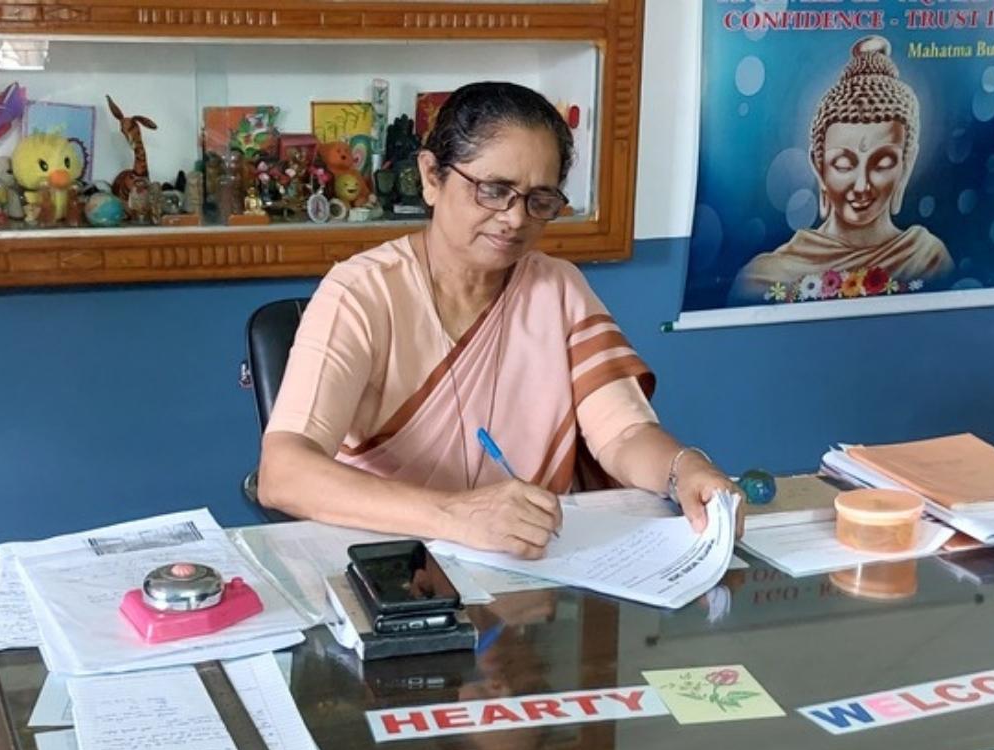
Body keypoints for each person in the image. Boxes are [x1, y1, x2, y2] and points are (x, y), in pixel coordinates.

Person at [258, 81, 739, 560]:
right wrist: (458, 516)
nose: (514, 219)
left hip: (533, 565)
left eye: (539, 200)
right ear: (431, 176)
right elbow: (284, 472)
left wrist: (684, 468)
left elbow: (624, 434)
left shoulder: (559, 289)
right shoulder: (361, 294)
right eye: (493, 190)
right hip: (394, 565)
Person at [734, 36, 951, 303]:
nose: (861, 186)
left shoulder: (926, 258)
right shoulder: (765, 275)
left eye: (882, 164)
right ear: (818, 165)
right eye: (844, 164)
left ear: (906, 164)